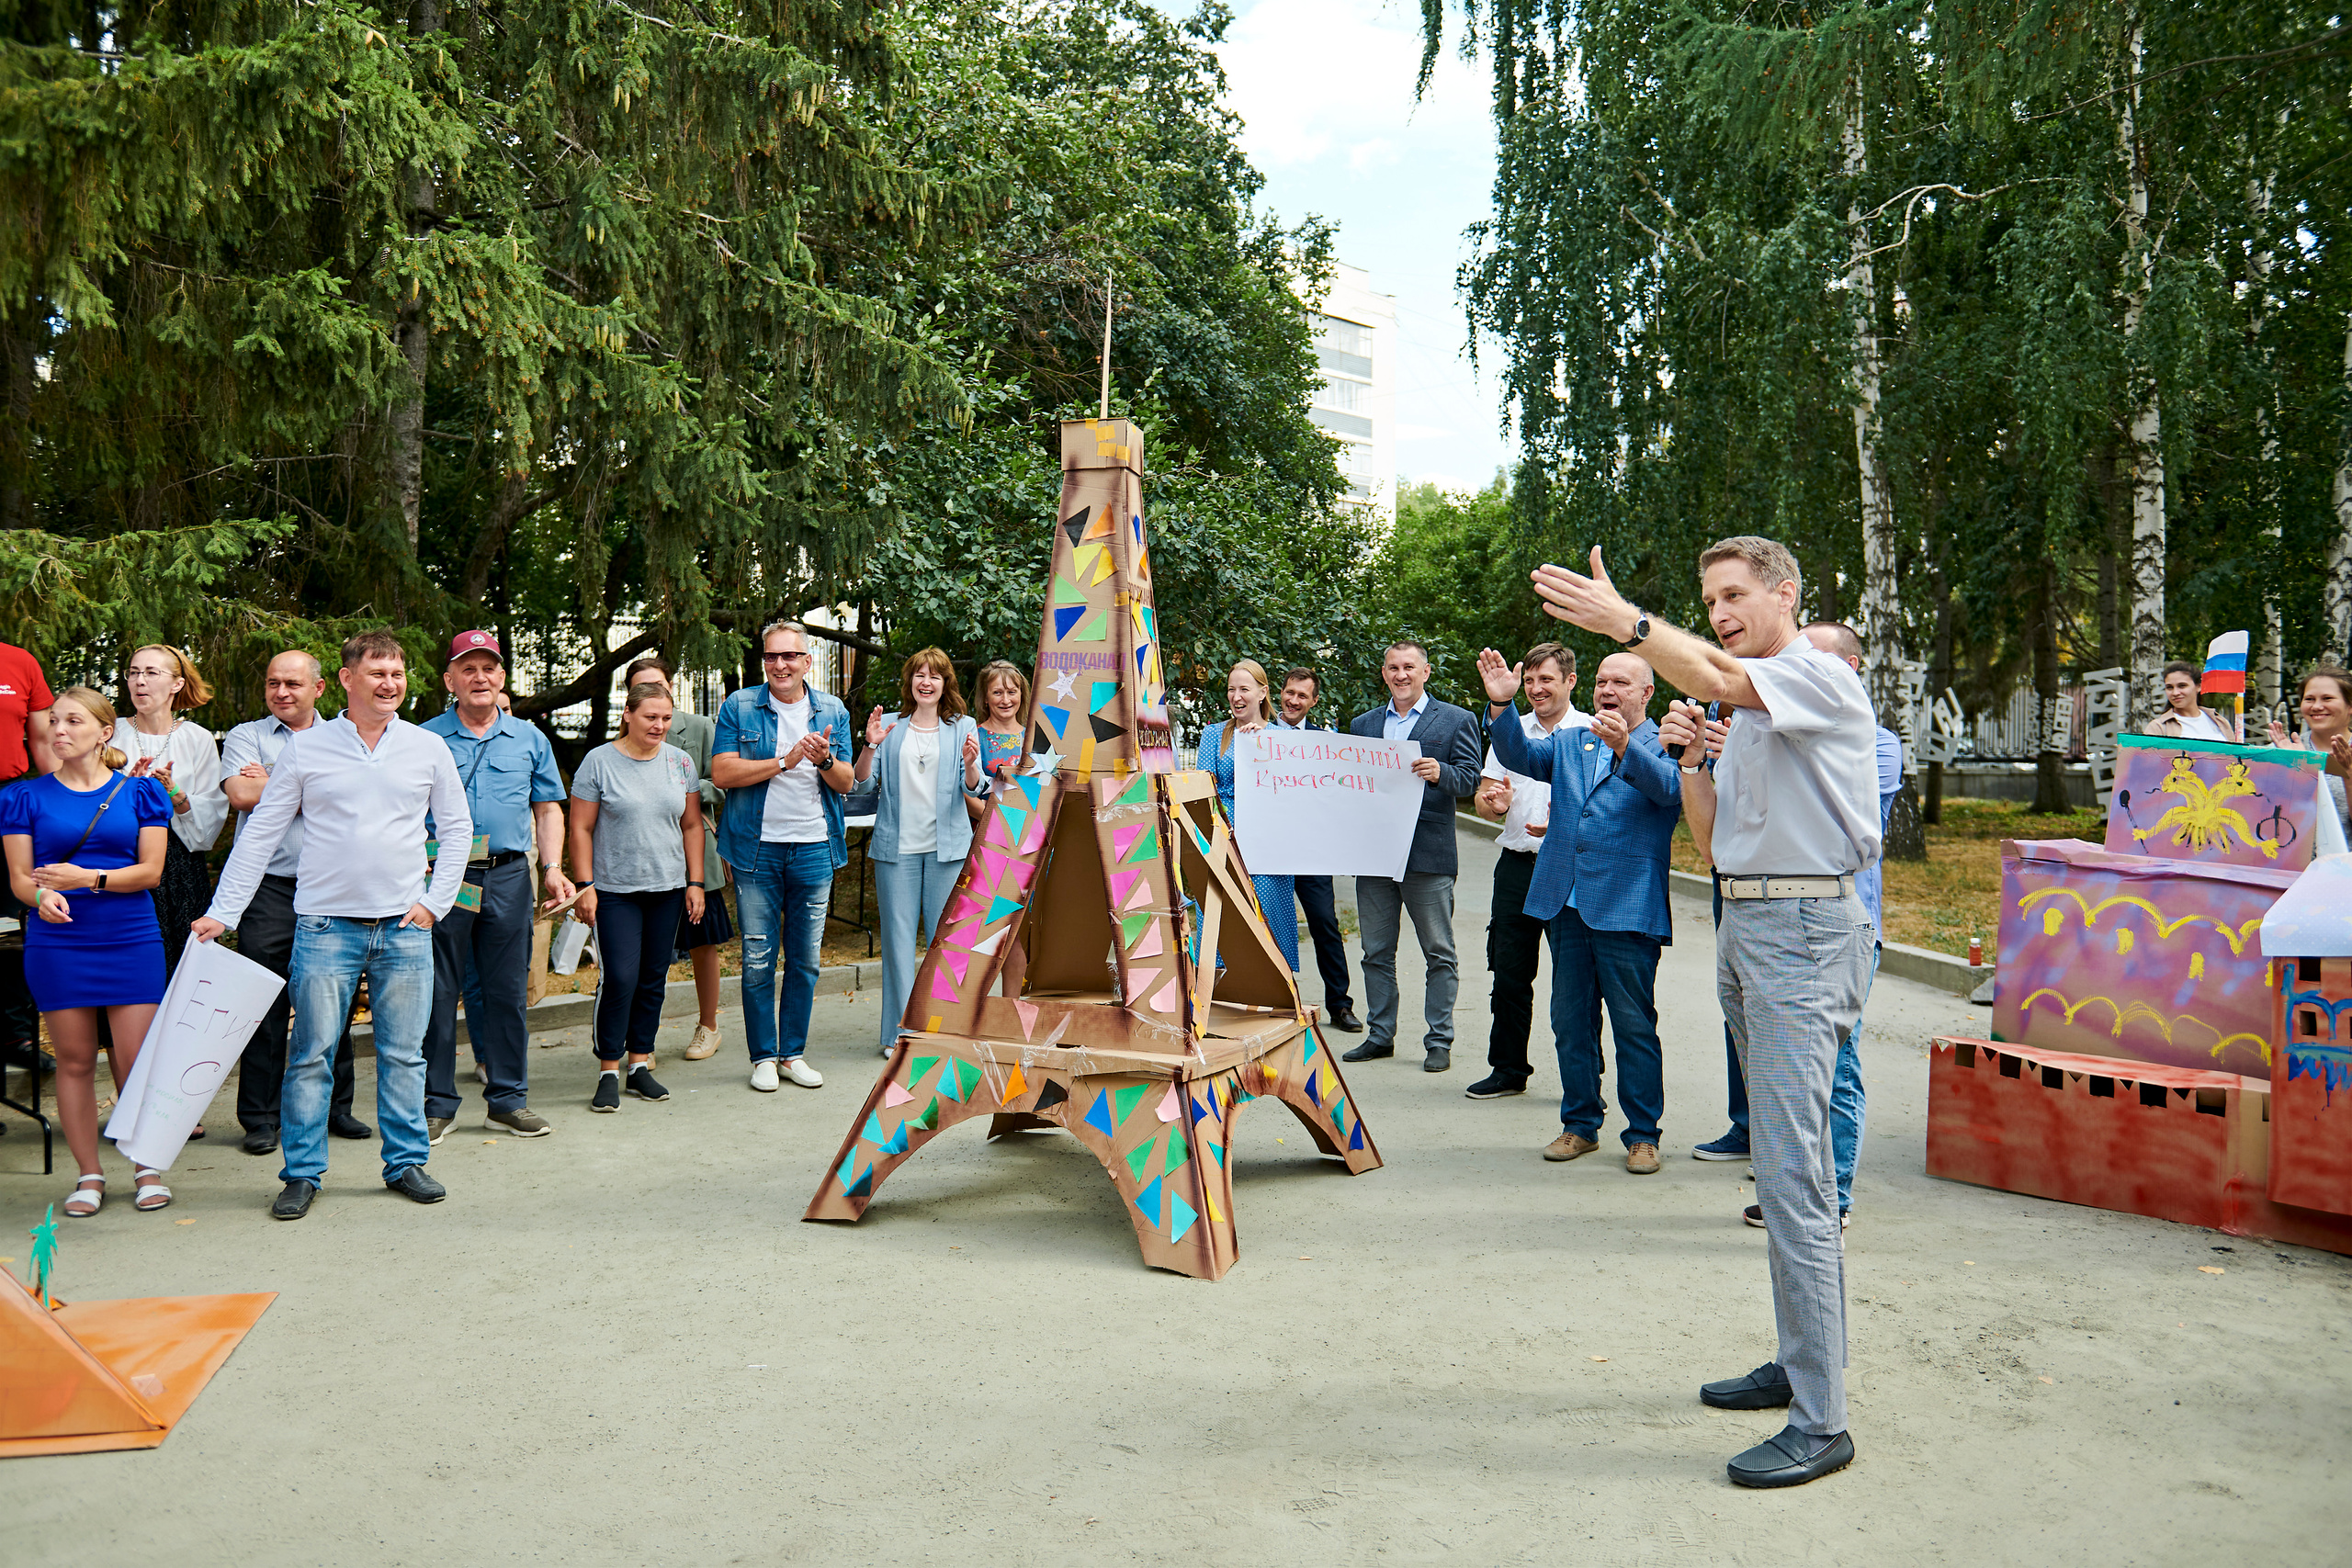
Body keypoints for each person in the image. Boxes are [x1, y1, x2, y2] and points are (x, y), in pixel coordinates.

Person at [1529, 535, 1876, 1489]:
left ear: (1785, 594)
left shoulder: (1815, 677)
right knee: (1782, 1160)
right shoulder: (1751, 711)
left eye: (1732, 595)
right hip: (1751, 920)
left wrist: (1627, 624)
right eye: (1708, 599)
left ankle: (1821, 1421)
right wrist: (1688, 760)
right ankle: (1802, 1363)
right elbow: (1716, 843)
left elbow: (1716, 673)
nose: (1719, 613)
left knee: (1794, 1176)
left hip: (1803, 930)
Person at [193, 630, 474, 1221]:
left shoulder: (426, 747)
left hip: (405, 928)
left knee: (404, 1055)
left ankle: (405, 1163)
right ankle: (301, 1173)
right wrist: (224, 912)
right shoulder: (309, 748)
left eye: (397, 674)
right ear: (347, 679)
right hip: (325, 927)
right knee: (311, 1054)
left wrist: (435, 904)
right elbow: (262, 833)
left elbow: (456, 830)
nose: (390, 684)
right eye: (377, 674)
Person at [1707, 623, 1898, 1229]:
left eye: (1809, 655)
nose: (1790, 666)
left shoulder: (1870, 736)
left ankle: (1830, 1198)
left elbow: (1831, 803)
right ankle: (1790, 1182)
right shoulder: (1758, 726)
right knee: (1781, 1074)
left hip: (1828, 919)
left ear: (1847, 667)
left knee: (1834, 1068)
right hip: (1759, 911)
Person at [1477, 650, 1680, 1171]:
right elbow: (1520, 756)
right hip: (1565, 902)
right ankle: (1580, 1125)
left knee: (1634, 1026)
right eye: (1602, 681)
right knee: (1570, 1022)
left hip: (1627, 905)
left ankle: (1643, 1135)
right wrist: (1501, 704)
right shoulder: (1572, 740)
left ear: (1646, 693)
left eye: (1621, 683)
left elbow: (1668, 791)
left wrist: (1624, 747)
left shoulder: (1667, 742)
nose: (1607, 690)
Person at [1, 688, 172, 1215]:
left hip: (130, 936)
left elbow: (151, 872)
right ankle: (89, 1174)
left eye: (73, 721)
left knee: (135, 1060)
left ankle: (146, 1167)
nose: (59, 729)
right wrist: (41, 897)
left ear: (104, 732)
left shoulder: (142, 793)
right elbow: (19, 879)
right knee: (74, 1061)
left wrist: (87, 878)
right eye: (54, 720)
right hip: (59, 941)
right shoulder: (23, 797)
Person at [419, 631, 572, 1144]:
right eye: (468, 669)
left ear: (502, 678)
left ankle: (507, 1101)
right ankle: (436, 1104)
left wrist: (552, 867)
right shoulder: (423, 738)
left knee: (507, 991)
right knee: (439, 991)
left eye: (488, 668)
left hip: (508, 875)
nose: (479, 677)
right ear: (450, 681)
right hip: (445, 875)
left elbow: (547, 809)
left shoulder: (530, 738)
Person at [220, 651, 370, 1156]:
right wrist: (315, 788)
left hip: (332, 888)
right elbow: (241, 794)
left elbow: (359, 798)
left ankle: (335, 1109)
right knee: (264, 1002)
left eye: (292, 683)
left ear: (320, 688)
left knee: (335, 1000)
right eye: (273, 683)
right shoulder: (246, 735)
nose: (281, 692)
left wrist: (274, 781)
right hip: (269, 888)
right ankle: (261, 1118)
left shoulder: (346, 736)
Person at [711, 619, 855, 1092]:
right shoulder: (739, 706)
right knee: (757, 959)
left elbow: (847, 782)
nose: (780, 664)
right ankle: (763, 1058)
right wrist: (785, 761)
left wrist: (823, 759)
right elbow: (722, 774)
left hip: (814, 847)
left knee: (805, 960)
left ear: (807, 661)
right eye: (771, 656)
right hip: (757, 850)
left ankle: (792, 1055)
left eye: (790, 655)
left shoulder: (831, 709)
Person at [1340, 640, 1483, 1072]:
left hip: (1428, 855)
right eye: (1393, 668)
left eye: (1408, 667)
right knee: (1375, 951)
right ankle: (1380, 1035)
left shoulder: (1456, 719)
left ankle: (1439, 1041)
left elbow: (1471, 780)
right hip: (1376, 855)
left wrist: (1441, 772)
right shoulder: (1364, 724)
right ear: (1384, 673)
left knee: (1439, 952)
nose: (1400, 675)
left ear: (1425, 672)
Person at [1464, 642, 1590, 1099]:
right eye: (1530, 681)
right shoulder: (1510, 731)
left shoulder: (1591, 731)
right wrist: (1493, 805)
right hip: (1517, 867)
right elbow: (1484, 800)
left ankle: (1584, 1084)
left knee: (1576, 983)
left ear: (1570, 681)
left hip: (1571, 870)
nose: (1536, 689)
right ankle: (1508, 1070)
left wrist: (1569, 822)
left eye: (1546, 680)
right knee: (1509, 973)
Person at [571, 682, 705, 1110]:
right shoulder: (599, 762)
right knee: (620, 977)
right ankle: (608, 1069)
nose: (659, 725)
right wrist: (584, 885)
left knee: (653, 978)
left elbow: (691, 825)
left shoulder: (680, 762)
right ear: (628, 714)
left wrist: (696, 882)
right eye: (650, 717)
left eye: (666, 718)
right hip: (614, 891)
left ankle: (639, 1065)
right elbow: (580, 828)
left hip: (668, 888)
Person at [853, 648, 989, 1057]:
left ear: (946, 684)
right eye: (919, 675)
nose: (926, 682)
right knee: (897, 943)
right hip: (897, 851)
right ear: (909, 681)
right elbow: (862, 783)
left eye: (935, 676)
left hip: (948, 849)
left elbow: (974, 786)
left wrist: (970, 765)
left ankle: (943, 1029)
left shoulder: (963, 726)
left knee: (945, 944)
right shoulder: (890, 726)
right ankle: (900, 1032)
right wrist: (870, 745)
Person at [626, 655, 733, 1062]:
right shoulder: (623, 736)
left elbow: (722, 783)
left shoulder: (700, 727)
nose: (653, 695)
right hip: (641, 853)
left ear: (671, 687)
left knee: (703, 940)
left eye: (660, 686)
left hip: (695, 849)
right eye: (642, 689)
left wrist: (678, 788)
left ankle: (709, 1026)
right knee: (643, 950)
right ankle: (641, 1039)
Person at [113, 644, 228, 979]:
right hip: (122, 860)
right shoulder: (111, 732)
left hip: (179, 867)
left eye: (151, 673)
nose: (140, 681)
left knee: (184, 970)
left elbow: (209, 820)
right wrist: (128, 791)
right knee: (130, 967)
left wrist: (174, 793)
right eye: (134, 672)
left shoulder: (197, 738)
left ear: (177, 684)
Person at [1272, 668, 1361, 1032]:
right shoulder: (1257, 735)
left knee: (1325, 922)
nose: (1293, 701)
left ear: (1314, 701)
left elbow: (1340, 794)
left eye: (1302, 696)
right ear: (1280, 692)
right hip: (1269, 849)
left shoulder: (1327, 742)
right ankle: (1274, 1001)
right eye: (1289, 692)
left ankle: (1340, 1005)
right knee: (1267, 924)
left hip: (1311, 850)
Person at [1201, 660, 1297, 975]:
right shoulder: (1213, 734)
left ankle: (1270, 990)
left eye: (1244, 689)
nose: (1236, 696)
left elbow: (1292, 791)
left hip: (1268, 845)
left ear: (1262, 693)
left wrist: (1262, 746)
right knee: (1223, 916)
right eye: (1232, 689)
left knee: (1267, 918)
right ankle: (1218, 992)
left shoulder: (1283, 736)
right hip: (1224, 842)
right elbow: (1204, 791)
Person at [0, 637, 59, 1083]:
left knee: (11, 925)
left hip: (9, 799)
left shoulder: (18, 662)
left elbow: (42, 740)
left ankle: (14, 1035)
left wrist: (61, 806)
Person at [2269, 665, 2352, 846]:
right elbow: (2267, 818)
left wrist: (2349, 774)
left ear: (2350, 706)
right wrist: (2298, 768)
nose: (2316, 706)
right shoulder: (2282, 750)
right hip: (2295, 861)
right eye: (2309, 699)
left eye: (2327, 698)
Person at [974, 660, 1031, 784]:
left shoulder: (1033, 739)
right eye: (997, 693)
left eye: (1011, 692)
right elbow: (965, 787)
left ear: (1021, 694)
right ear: (985, 697)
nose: (1005, 700)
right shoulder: (974, 737)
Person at [2146, 660, 2231, 740]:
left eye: (2182, 686)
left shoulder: (2219, 721)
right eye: (2169, 687)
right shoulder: (2158, 727)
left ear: (2199, 686)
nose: (2175, 693)